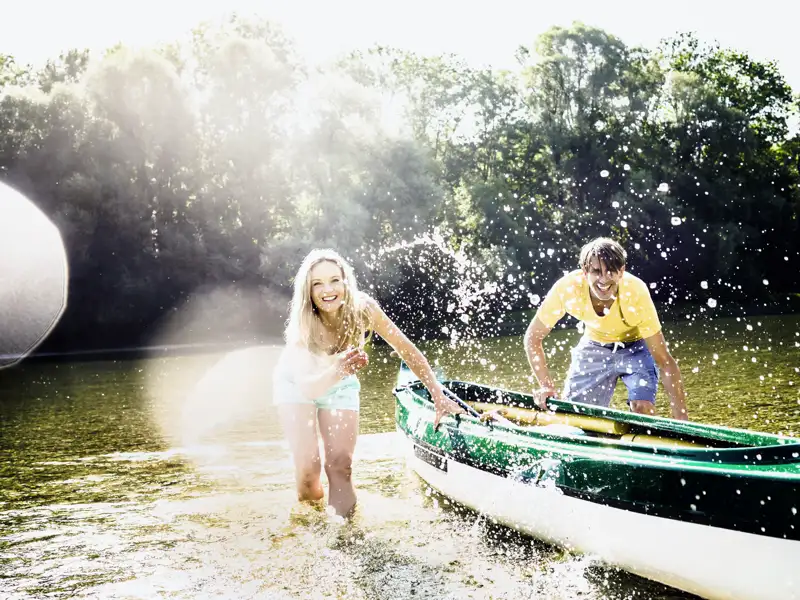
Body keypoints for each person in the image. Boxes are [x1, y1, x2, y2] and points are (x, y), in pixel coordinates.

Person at [272, 248, 463, 518]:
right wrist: (337, 369)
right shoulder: (303, 325)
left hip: (341, 381)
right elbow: (309, 388)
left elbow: (407, 350)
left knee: (340, 465)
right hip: (297, 386)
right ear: (308, 290)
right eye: (318, 283)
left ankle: (344, 535)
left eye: (334, 280)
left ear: (345, 281)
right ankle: (311, 528)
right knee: (308, 471)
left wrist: (438, 396)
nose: (328, 289)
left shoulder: (364, 310)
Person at [524, 237, 689, 421]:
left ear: (622, 271)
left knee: (642, 407)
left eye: (611, 271)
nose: (604, 279)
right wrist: (546, 386)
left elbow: (664, 360)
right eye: (596, 271)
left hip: (635, 348)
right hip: (593, 346)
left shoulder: (636, 292)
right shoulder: (568, 288)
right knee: (577, 418)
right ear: (585, 272)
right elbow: (533, 337)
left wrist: (681, 421)